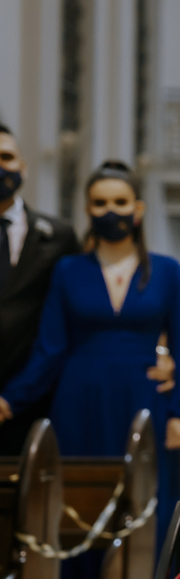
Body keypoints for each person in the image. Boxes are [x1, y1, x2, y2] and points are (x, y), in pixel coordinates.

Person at [0, 160, 180, 579]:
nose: (110, 212)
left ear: (138, 209)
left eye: (119, 202)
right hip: (78, 404)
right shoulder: (68, 271)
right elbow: (48, 349)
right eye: (99, 204)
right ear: (87, 212)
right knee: (75, 519)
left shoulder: (169, 271)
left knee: (144, 522)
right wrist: (9, 399)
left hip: (146, 406)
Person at [0, 122, 80, 454]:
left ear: (24, 167)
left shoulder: (58, 236)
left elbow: (68, 323)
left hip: (33, 405)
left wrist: (13, 398)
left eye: (6, 156)